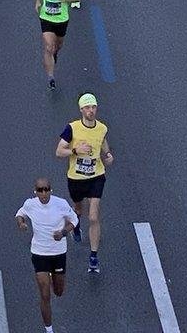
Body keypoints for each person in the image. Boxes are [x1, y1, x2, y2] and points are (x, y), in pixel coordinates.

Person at [55, 92, 113, 273]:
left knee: (94, 216)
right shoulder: (72, 128)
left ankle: (94, 256)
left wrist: (108, 154)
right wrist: (75, 149)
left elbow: (102, 140)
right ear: (81, 110)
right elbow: (58, 151)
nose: (91, 111)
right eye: (87, 108)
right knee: (78, 210)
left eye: (93, 107)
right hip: (76, 178)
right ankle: (76, 223)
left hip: (96, 176)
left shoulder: (102, 128)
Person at [15, 178, 75, 333]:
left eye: (46, 189)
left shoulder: (61, 204)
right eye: (40, 190)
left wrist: (63, 233)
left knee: (58, 291)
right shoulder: (30, 204)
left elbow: (73, 221)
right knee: (44, 293)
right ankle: (49, 329)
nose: (44, 193)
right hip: (39, 252)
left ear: (51, 190)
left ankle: (53, 276)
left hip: (58, 252)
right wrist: (21, 223)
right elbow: (20, 214)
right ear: (35, 191)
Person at [36, 0, 78, 90]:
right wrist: (38, 1)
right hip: (46, 18)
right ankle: (51, 78)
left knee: (58, 45)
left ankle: (55, 54)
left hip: (61, 19)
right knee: (48, 46)